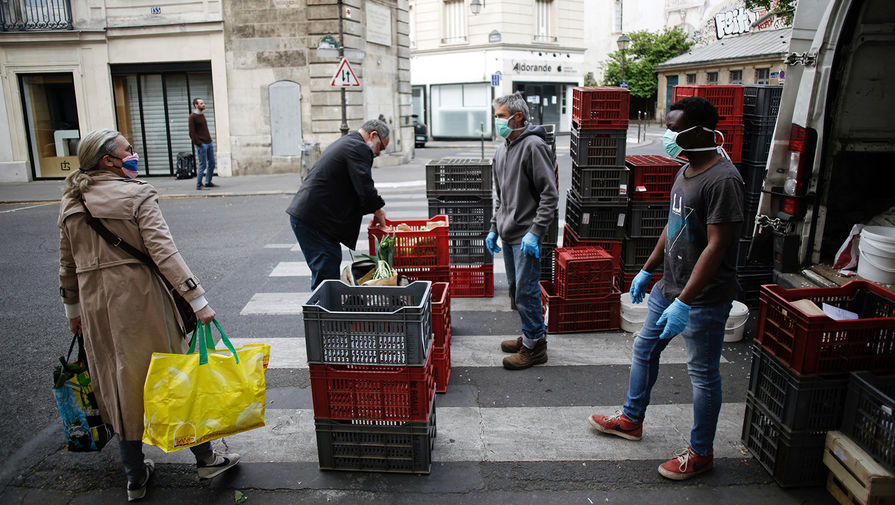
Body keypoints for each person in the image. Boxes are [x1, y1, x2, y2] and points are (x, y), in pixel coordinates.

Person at [58, 129, 240, 502]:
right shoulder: (136, 194)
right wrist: (198, 301)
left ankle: (135, 476)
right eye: (128, 149)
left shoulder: (71, 201)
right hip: (140, 302)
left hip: (96, 309)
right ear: (109, 160)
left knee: (117, 384)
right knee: (173, 375)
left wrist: (73, 311)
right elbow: (164, 253)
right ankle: (205, 458)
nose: (134, 153)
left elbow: (66, 265)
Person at [588, 97, 744, 480]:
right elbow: (673, 226)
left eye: (676, 129)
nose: (669, 136)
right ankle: (631, 419)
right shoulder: (686, 168)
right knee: (645, 347)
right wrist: (646, 270)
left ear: (702, 132)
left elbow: (717, 245)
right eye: (669, 126)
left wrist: (686, 302)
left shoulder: (724, 179)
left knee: (703, 374)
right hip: (667, 287)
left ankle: (701, 453)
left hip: (702, 298)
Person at [485, 93, 558, 370]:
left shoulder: (533, 146)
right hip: (508, 232)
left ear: (518, 117)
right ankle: (531, 334)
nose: (497, 121)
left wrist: (535, 232)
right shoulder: (502, 149)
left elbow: (549, 195)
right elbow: (500, 197)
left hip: (526, 234)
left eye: (501, 116)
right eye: (496, 116)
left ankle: (535, 346)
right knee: (517, 291)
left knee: (526, 292)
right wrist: (494, 228)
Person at [286, 119, 389, 289]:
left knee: (327, 271)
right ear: (373, 136)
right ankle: (323, 312)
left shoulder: (349, 143)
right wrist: (378, 212)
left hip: (314, 219)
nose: (379, 153)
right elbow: (364, 186)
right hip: (314, 221)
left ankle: (325, 311)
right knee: (326, 279)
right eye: (381, 148)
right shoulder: (359, 147)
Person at [189, 98, 215, 190]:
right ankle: (199, 184)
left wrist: (209, 140)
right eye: (201, 103)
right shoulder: (192, 117)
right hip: (202, 144)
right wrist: (199, 143)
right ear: (196, 105)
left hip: (208, 142)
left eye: (203, 103)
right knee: (202, 164)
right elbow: (192, 133)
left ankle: (208, 182)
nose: (203, 104)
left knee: (212, 163)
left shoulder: (202, 115)